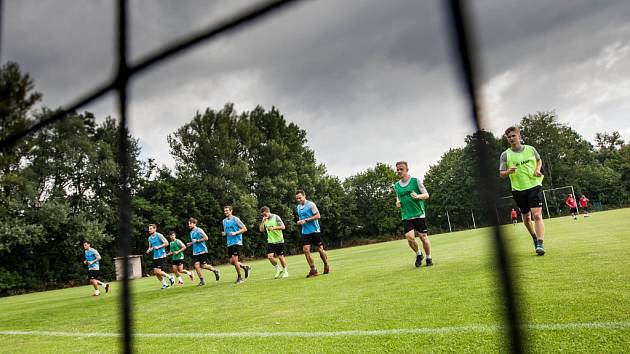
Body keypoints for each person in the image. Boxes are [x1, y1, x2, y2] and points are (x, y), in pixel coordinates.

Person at [499, 126, 546, 255]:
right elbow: (501, 174)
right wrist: (509, 171)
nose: (511, 138)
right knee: (526, 218)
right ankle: (534, 238)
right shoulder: (505, 155)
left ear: (519, 136)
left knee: (537, 215)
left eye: (513, 135)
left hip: (534, 185)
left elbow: (538, 160)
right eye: (509, 137)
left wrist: (537, 170)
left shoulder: (531, 149)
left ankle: (540, 244)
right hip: (518, 190)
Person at [393, 161, 433, 268]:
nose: (399, 171)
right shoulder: (396, 185)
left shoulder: (416, 181)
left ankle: (428, 257)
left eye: (401, 169)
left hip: (419, 214)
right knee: (409, 237)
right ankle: (419, 254)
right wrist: (397, 202)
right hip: (406, 215)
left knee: (423, 237)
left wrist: (418, 196)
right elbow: (398, 196)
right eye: (397, 169)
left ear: (407, 169)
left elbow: (426, 195)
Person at [296, 190, 329, 277]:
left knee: (320, 250)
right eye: (297, 198)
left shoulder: (311, 204)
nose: (299, 200)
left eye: (300, 198)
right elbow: (301, 217)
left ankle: (326, 264)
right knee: (306, 250)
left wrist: (306, 220)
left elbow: (318, 216)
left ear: (304, 196)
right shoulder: (298, 207)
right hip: (305, 232)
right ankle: (313, 270)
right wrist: (300, 221)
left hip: (314, 230)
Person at [186, 218, 221, 286]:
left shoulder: (199, 230)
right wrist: (190, 243)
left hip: (202, 250)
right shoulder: (191, 232)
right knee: (196, 266)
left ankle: (215, 271)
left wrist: (197, 241)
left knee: (204, 266)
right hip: (195, 251)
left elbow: (206, 238)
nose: (189, 225)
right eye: (188, 223)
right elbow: (194, 241)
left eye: (190, 223)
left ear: (194, 224)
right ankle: (202, 281)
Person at [222, 206, 251, 284]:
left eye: (227, 211)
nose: (225, 212)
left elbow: (245, 228)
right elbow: (225, 231)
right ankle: (245, 267)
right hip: (229, 243)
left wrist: (235, 233)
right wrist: (224, 233)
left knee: (235, 260)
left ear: (231, 211)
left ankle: (240, 277)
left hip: (237, 242)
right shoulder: (224, 221)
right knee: (232, 262)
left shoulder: (236, 219)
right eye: (224, 211)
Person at [259, 206, 288, 279]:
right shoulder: (264, 220)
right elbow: (261, 230)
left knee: (280, 257)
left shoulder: (276, 217)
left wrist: (274, 228)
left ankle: (285, 271)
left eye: (265, 214)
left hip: (279, 240)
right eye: (263, 215)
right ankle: (278, 269)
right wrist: (262, 221)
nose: (264, 216)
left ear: (268, 212)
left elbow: (283, 227)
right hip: (271, 241)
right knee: (270, 257)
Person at [146, 224, 175, 289]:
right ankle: (165, 285)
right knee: (156, 273)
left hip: (161, 255)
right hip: (155, 256)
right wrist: (149, 250)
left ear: (155, 229)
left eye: (151, 229)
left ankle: (170, 277)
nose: (149, 230)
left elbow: (167, 243)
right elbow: (150, 247)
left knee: (158, 271)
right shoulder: (149, 238)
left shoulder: (159, 235)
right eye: (149, 229)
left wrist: (158, 247)